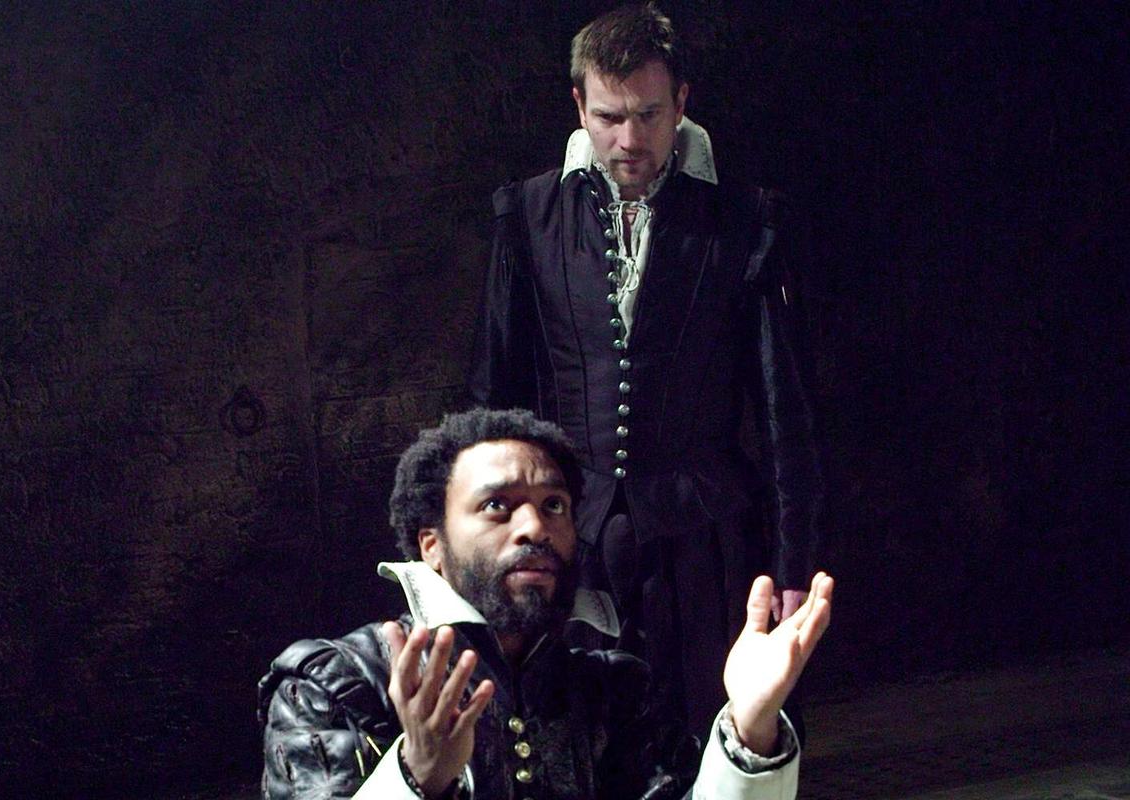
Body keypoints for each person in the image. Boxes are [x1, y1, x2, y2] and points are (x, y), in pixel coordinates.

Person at [468, 2, 825, 736]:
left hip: (705, 542)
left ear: (681, 103)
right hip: (571, 540)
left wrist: (794, 569)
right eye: (608, 117)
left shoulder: (742, 223)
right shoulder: (529, 216)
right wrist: (477, 555)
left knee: (711, 735)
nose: (628, 139)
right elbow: (491, 401)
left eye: (649, 116)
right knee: (575, 744)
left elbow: (784, 415)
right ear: (579, 106)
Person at [259, 408, 833, 799]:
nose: (535, 526)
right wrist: (417, 777)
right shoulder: (334, 687)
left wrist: (749, 731)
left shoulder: (613, 691)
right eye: (497, 505)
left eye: (554, 505)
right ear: (431, 545)